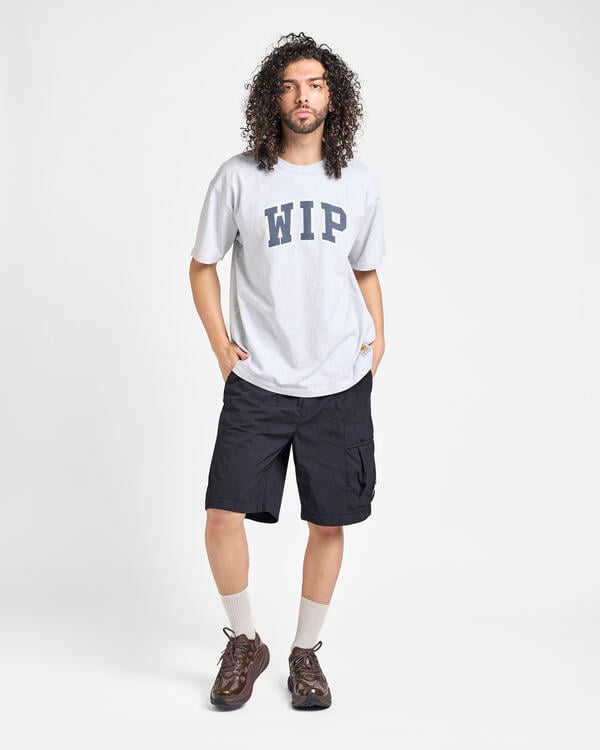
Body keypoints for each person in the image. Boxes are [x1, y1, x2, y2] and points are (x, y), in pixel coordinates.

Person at [188, 31, 386, 710]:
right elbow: (202, 267)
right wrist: (222, 346)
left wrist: (378, 339)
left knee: (328, 523)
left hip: (338, 383)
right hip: (260, 382)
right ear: (272, 99)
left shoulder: (357, 184)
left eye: (316, 85)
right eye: (290, 85)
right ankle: (246, 641)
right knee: (222, 515)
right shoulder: (239, 177)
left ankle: (305, 653)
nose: (303, 96)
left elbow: (366, 271)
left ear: (333, 98)